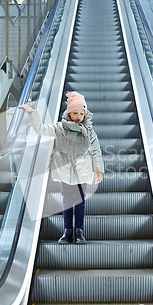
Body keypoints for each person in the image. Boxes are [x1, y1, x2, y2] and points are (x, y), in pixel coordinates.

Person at [18, 91, 104, 244]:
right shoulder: (60, 128)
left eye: (81, 113)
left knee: (79, 201)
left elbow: (96, 150)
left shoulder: (89, 131)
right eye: (75, 113)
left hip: (82, 171)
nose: (78, 116)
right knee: (66, 200)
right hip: (65, 171)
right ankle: (67, 231)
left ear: (85, 114)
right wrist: (33, 112)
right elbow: (41, 129)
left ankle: (79, 231)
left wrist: (98, 170)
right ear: (69, 113)